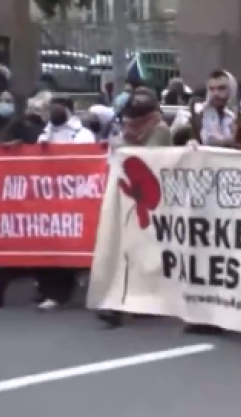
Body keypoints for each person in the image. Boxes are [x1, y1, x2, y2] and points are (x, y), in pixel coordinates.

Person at [97, 88, 171, 328]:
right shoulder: (127, 132)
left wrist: (125, 142)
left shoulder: (160, 130)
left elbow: (147, 157)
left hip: (154, 201)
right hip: (128, 197)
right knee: (122, 252)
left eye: (137, 122)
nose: (131, 127)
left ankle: (144, 301)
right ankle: (114, 305)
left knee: (146, 254)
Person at [0, 93, 48, 311]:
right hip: (3, 193)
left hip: (25, 194)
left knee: (28, 247)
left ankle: (45, 288)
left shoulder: (26, 128)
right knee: (8, 247)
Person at [35, 97, 95, 311]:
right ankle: (56, 293)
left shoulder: (83, 135)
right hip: (52, 198)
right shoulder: (47, 133)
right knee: (55, 247)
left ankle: (87, 284)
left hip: (76, 199)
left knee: (79, 246)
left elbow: (84, 162)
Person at [172, 70, 238, 147]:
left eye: (221, 88)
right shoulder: (194, 115)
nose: (216, 93)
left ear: (231, 90)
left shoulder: (238, 118)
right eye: (211, 89)